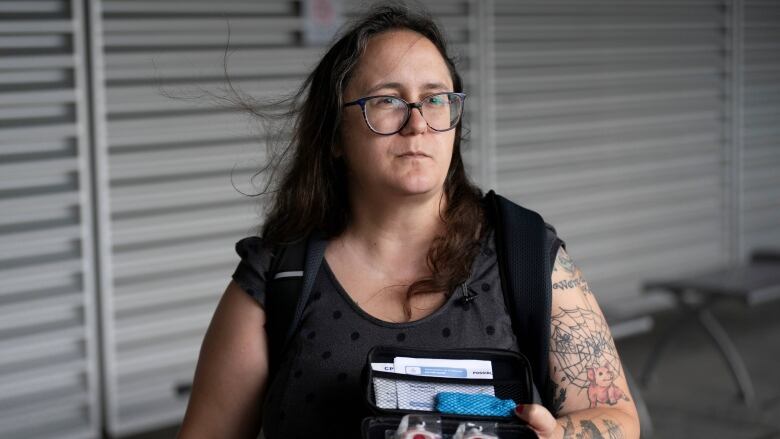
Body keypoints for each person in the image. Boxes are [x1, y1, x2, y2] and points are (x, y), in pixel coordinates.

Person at [177, 3, 639, 438]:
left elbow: (615, 415)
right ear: (334, 135)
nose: (417, 123)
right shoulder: (279, 278)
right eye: (387, 100)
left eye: (435, 99)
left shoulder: (524, 254)